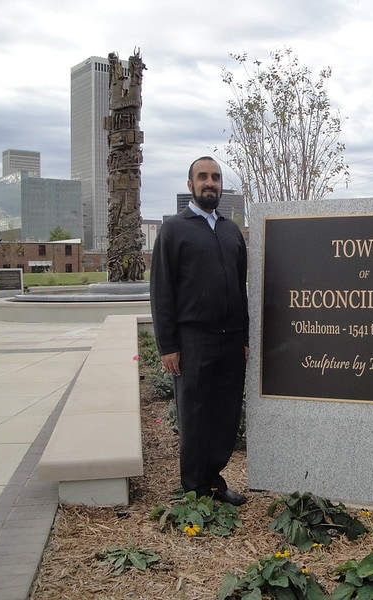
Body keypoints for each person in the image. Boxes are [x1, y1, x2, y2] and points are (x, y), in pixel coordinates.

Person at [149, 156, 250, 506]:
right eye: (203, 177)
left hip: (231, 339)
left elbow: (242, 288)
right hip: (193, 340)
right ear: (190, 185)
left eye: (216, 177)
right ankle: (195, 490)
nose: (211, 183)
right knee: (195, 415)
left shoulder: (231, 230)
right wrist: (168, 346)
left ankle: (214, 481)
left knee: (224, 414)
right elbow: (162, 291)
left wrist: (246, 338)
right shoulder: (174, 230)